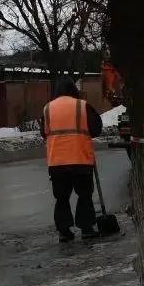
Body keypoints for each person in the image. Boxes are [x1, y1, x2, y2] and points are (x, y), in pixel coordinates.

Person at [41, 78, 103, 241]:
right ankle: (86, 228)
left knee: (61, 197)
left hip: (57, 162)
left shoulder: (47, 109)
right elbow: (96, 129)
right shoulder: (82, 106)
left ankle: (64, 231)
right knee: (84, 195)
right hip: (80, 159)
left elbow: (44, 132)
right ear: (74, 90)